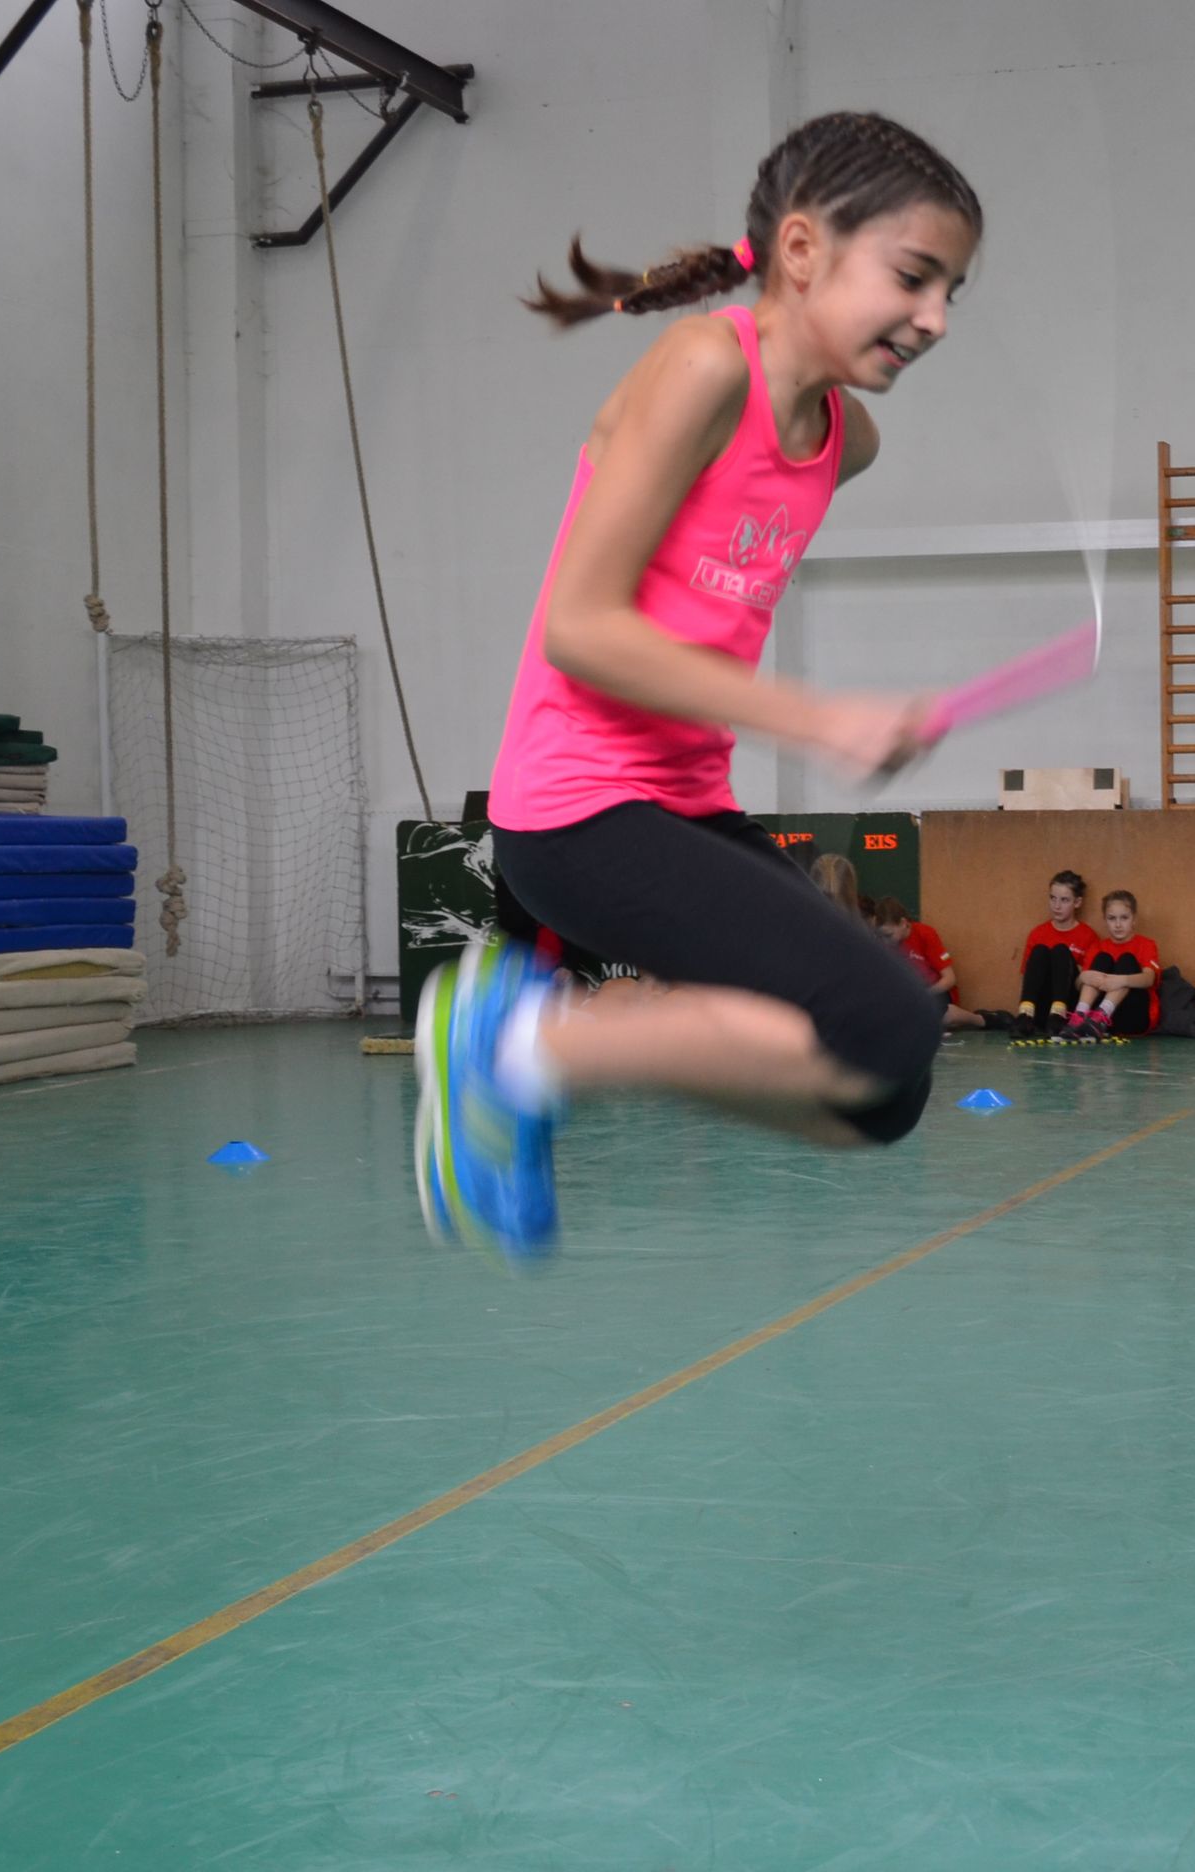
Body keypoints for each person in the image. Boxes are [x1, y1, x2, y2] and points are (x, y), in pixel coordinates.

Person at [415, 111, 984, 1258]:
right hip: (576, 808)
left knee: (884, 1090)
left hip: (682, 805)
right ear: (803, 249)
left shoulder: (846, 438)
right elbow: (579, 626)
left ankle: (587, 1034)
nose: (934, 317)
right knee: (880, 1018)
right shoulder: (700, 366)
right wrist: (816, 717)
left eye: (950, 293)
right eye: (913, 277)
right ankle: (517, 1046)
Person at [872, 893, 983, 1030]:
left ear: (903, 923)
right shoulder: (884, 944)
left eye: (888, 935)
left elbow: (949, 979)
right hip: (909, 995)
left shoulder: (925, 934)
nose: (884, 941)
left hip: (935, 991)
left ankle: (980, 1019)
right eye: (880, 936)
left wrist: (924, 994)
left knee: (937, 1015)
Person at [1010, 868, 1098, 1040]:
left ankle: (1058, 1014)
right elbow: (1028, 977)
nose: (1057, 906)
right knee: (1040, 950)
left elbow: (1087, 983)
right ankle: (1025, 1016)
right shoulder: (1038, 933)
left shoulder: (1088, 936)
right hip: (1043, 1008)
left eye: (1064, 900)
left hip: (1069, 1008)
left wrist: (1067, 966)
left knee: (1060, 951)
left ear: (1077, 902)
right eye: (1053, 898)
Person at [1064, 889, 1160, 1040]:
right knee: (1102, 958)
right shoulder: (1097, 947)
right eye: (1112, 918)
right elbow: (1078, 985)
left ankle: (1103, 1013)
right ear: (1105, 920)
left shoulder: (1145, 944)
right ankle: (1079, 1016)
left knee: (1127, 960)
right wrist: (1082, 977)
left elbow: (1149, 979)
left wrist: (1121, 981)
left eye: (1124, 918)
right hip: (1101, 1024)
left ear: (1134, 919)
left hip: (1133, 1018)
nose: (1118, 924)